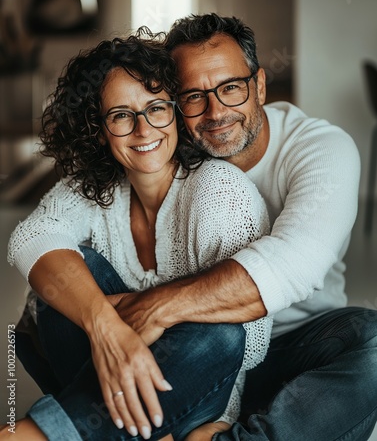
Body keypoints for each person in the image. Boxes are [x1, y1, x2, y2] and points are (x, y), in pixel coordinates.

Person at [95, 14, 376, 441]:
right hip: (195, 349)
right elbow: (59, 225)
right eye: (193, 96)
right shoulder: (158, 144)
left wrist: (152, 306)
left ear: (259, 85)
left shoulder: (321, 148)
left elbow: (293, 266)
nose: (216, 112)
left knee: (373, 341)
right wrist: (98, 316)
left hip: (296, 345)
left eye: (230, 88)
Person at [5, 28, 272, 440]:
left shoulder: (221, 193)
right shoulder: (95, 189)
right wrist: (106, 327)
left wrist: (136, 311)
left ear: (177, 114)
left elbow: (247, 344)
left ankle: (36, 435)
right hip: (109, 379)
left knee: (220, 333)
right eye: (121, 115)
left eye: (156, 109)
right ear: (99, 129)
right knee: (66, 277)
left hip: (197, 392)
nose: (143, 130)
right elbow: (30, 238)